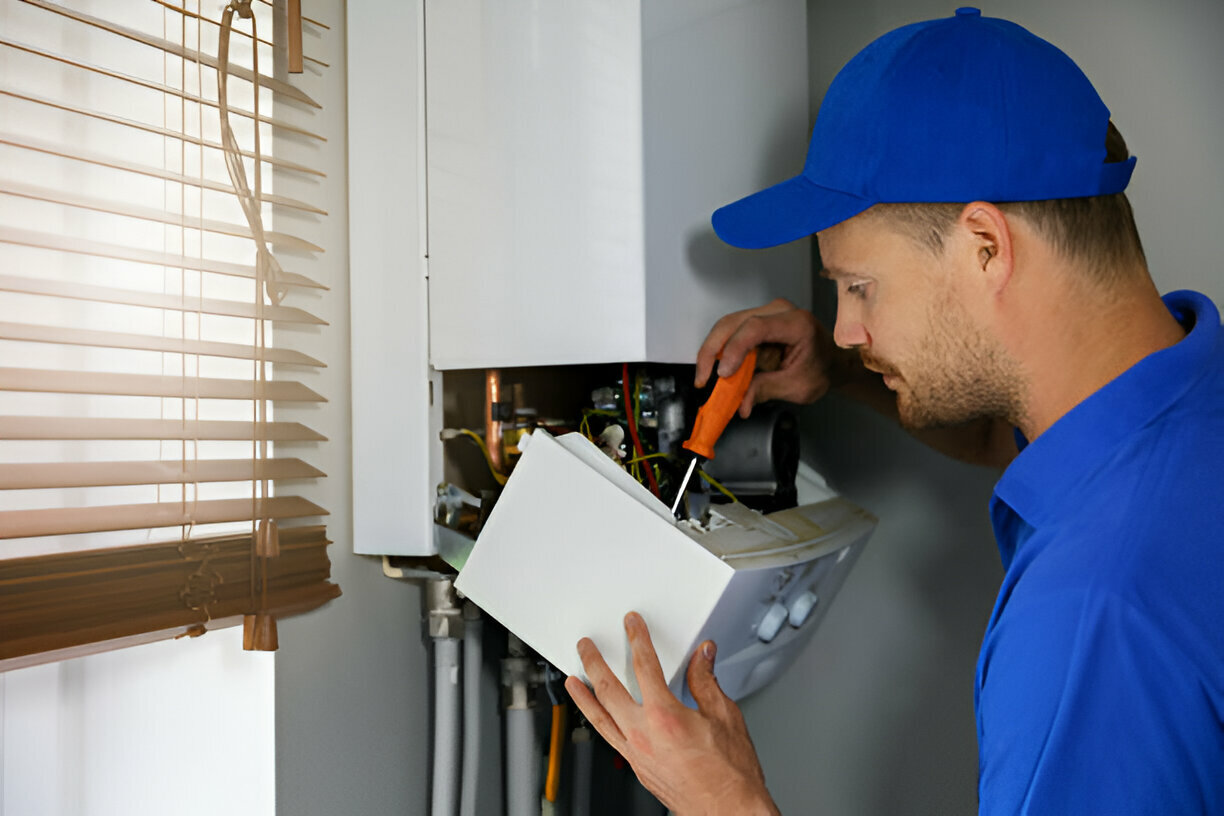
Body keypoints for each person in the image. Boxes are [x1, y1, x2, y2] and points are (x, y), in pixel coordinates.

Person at [563, 8, 1224, 815]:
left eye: (859, 288)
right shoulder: (1187, 397)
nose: (844, 326)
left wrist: (726, 802)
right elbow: (1016, 433)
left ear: (986, 247)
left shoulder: (1092, 618)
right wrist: (844, 369)